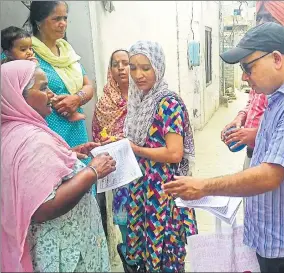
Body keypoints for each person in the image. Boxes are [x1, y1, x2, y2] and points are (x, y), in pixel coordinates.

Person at [163, 23, 284, 273]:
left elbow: (269, 176)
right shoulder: (278, 100)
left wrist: (204, 186)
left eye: (247, 67)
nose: (244, 76)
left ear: (276, 58)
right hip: (272, 239)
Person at [1, 60, 117, 272]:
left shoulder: (12, 130)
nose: (52, 94)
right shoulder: (31, 140)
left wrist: (69, 154)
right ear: (19, 94)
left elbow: (33, 171)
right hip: (66, 253)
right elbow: (43, 207)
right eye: (43, 88)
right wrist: (92, 171)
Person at [122, 40, 198, 272]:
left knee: (166, 254)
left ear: (158, 66)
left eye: (146, 67)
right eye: (133, 67)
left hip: (162, 190)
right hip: (143, 187)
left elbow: (174, 153)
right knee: (146, 251)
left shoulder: (168, 103)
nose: (138, 74)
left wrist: (136, 150)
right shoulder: (138, 101)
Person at [221, 0, 284, 170]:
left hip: (281, 164)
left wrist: (254, 135)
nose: (261, 23)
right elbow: (253, 101)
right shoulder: (261, 59)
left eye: (269, 18)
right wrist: (241, 118)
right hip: (256, 153)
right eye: (259, 18)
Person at [28, 1, 93, 164]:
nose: (63, 23)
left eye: (65, 18)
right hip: (47, 130)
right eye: (56, 18)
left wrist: (77, 99)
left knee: (82, 179)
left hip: (76, 130)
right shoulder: (25, 52)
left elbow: (88, 86)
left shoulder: (67, 52)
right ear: (38, 22)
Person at [91, 49, 130, 260]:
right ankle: (130, 260)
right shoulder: (105, 102)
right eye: (116, 64)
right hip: (119, 171)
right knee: (125, 223)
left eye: (126, 63)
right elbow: (99, 137)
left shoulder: (144, 97)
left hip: (145, 168)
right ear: (110, 70)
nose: (122, 68)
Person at [1, 25, 84, 122]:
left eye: (30, 48)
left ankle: (69, 114)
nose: (29, 52)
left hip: (34, 98)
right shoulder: (7, 67)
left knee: (52, 97)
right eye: (23, 49)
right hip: (18, 104)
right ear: (8, 53)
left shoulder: (31, 62)